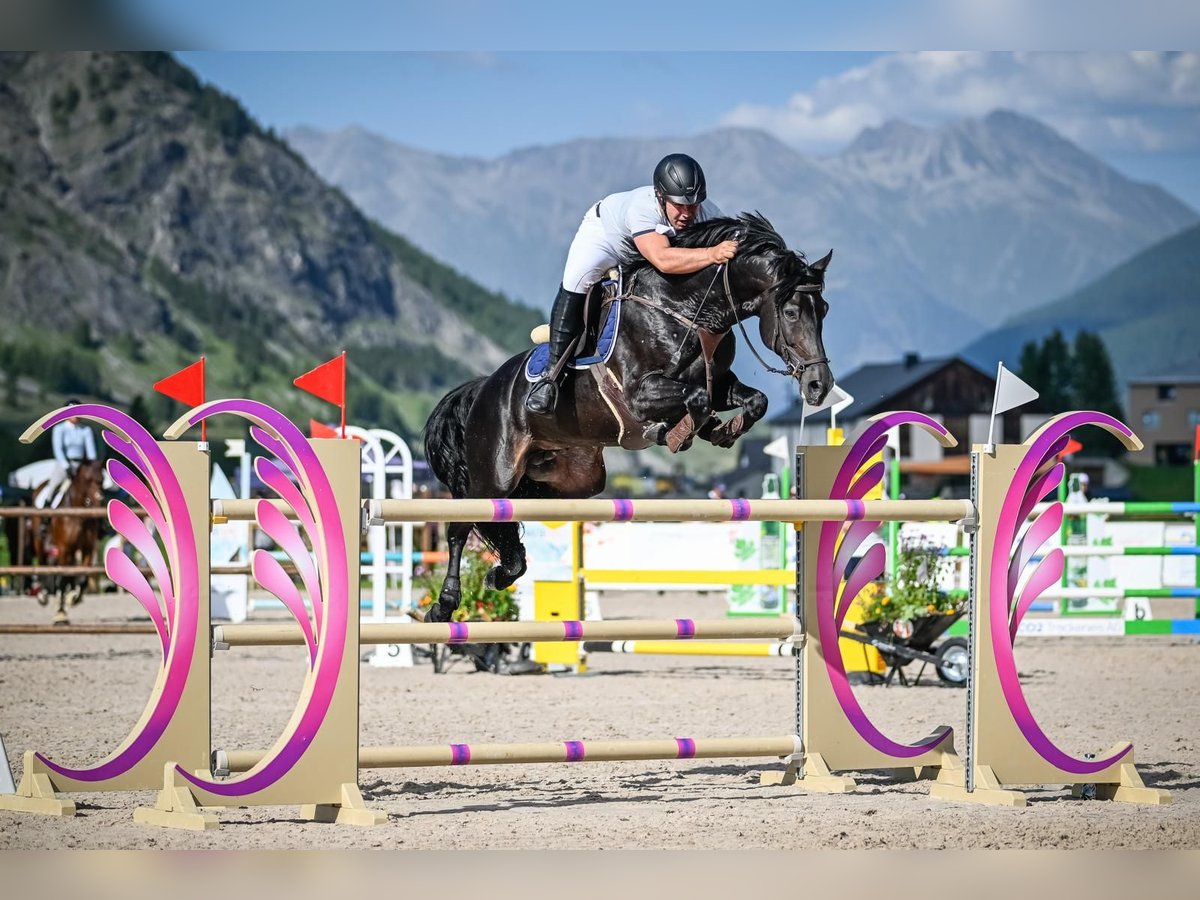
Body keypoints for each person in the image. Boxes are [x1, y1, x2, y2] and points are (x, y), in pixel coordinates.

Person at [525, 153, 740, 416]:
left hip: (645, 250)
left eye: (693, 205)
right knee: (577, 283)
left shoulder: (706, 212)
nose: (687, 214)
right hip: (605, 240)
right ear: (661, 197)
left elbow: (736, 242)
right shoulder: (643, 208)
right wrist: (711, 253)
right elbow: (663, 260)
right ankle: (550, 378)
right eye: (679, 206)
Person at [38, 400, 98, 508]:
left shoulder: (86, 430)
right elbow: (58, 450)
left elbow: (91, 453)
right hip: (64, 464)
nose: (76, 415)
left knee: (96, 486)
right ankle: (46, 513)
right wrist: (66, 466)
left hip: (81, 465)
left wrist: (92, 467)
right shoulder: (59, 429)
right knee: (54, 485)